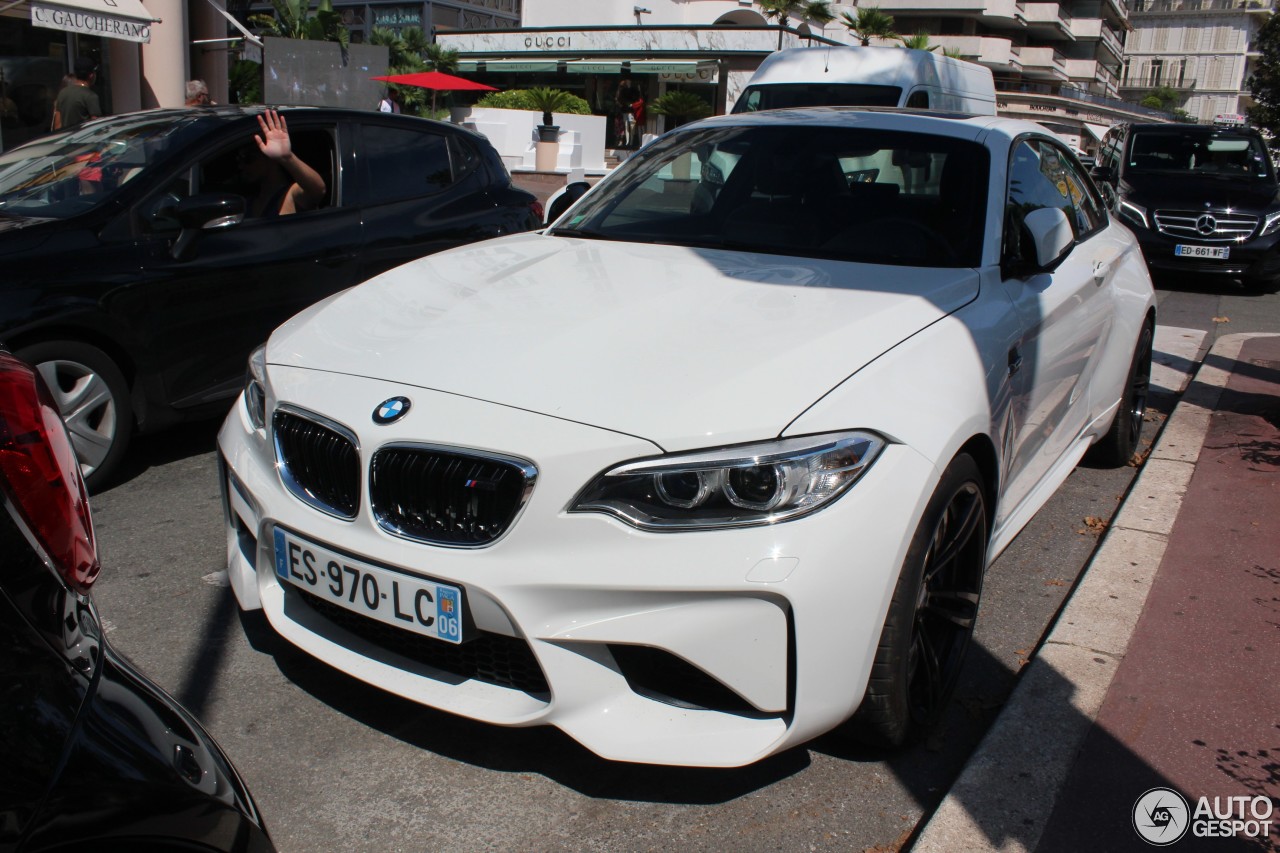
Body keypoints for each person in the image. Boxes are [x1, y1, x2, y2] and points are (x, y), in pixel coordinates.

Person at [236, 109, 327, 217]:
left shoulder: (290, 194)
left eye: (248, 158)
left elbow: (318, 190)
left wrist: (287, 157)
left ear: (270, 158)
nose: (241, 166)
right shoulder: (247, 201)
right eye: (239, 159)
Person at [52, 57, 101, 131]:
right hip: (83, 140)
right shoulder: (90, 96)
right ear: (91, 75)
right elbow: (96, 126)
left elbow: (57, 124)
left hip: (66, 138)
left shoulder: (63, 93)